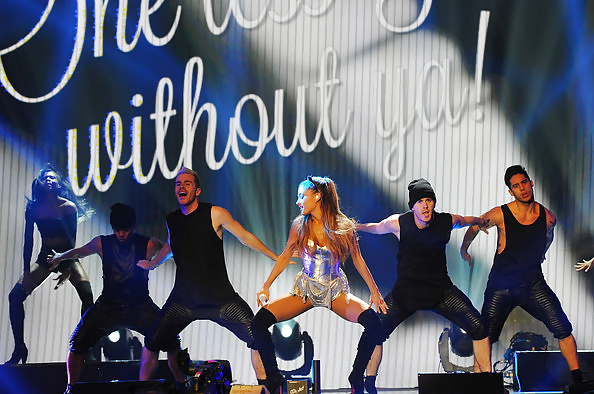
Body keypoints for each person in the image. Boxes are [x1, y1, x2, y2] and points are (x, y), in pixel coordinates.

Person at [137, 167, 278, 387]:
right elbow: (171, 246)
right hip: (182, 302)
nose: (181, 187)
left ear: (198, 190)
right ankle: (142, 390)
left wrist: (276, 257)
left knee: (258, 336)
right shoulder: (172, 219)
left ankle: (267, 388)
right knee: (151, 342)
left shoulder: (215, 213)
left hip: (221, 300)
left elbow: (245, 237)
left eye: (187, 183)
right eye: (178, 184)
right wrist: (153, 264)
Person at [250, 176, 388, 394]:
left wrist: (375, 291)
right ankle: (274, 378)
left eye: (301, 196)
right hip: (305, 291)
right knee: (259, 323)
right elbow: (286, 255)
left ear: (317, 196)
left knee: (373, 323)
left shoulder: (344, 226)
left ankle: (356, 375)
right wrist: (266, 285)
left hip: (334, 291)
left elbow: (358, 259)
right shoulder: (299, 225)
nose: (297, 201)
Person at [357, 178, 491, 393]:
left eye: (429, 200)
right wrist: (355, 226)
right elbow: (376, 228)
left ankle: (486, 384)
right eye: (420, 202)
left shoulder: (445, 221)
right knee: (374, 330)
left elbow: (465, 220)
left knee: (480, 327)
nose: (426, 206)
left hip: (441, 293)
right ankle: (369, 385)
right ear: (413, 206)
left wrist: (481, 221)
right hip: (405, 296)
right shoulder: (399, 223)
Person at [460, 165, 583, 386]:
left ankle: (578, 380)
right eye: (516, 186)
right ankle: (481, 386)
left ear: (531, 182)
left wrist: (542, 253)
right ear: (511, 191)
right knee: (484, 335)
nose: (522, 189)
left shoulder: (547, 217)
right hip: (501, 286)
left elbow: (548, 236)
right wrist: (464, 249)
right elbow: (476, 226)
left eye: (524, 183)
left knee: (562, 327)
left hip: (533, 285)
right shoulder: (501, 214)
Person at [47, 203, 183, 393]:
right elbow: (80, 251)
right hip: (107, 307)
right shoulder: (102, 243)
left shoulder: (148, 243)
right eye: (117, 230)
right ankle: (71, 388)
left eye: (125, 230)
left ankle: (182, 385)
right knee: (77, 341)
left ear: (133, 226)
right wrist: (60, 257)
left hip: (140, 306)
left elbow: (169, 253)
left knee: (171, 339)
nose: (121, 234)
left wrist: (153, 263)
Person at [5, 164, 94, 365]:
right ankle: (19, 348)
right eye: (46, 179)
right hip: (45, 258)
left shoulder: (68, 208)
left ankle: (83, 346)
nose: (49, 181)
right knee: (15, 297)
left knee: (88, 296)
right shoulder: (34, 209)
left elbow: (72, 242)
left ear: (58, 183)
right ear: (40, 184)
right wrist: (26, 272)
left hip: (67, 256)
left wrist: (68, 268)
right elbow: (28, 241)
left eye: (53, 178)